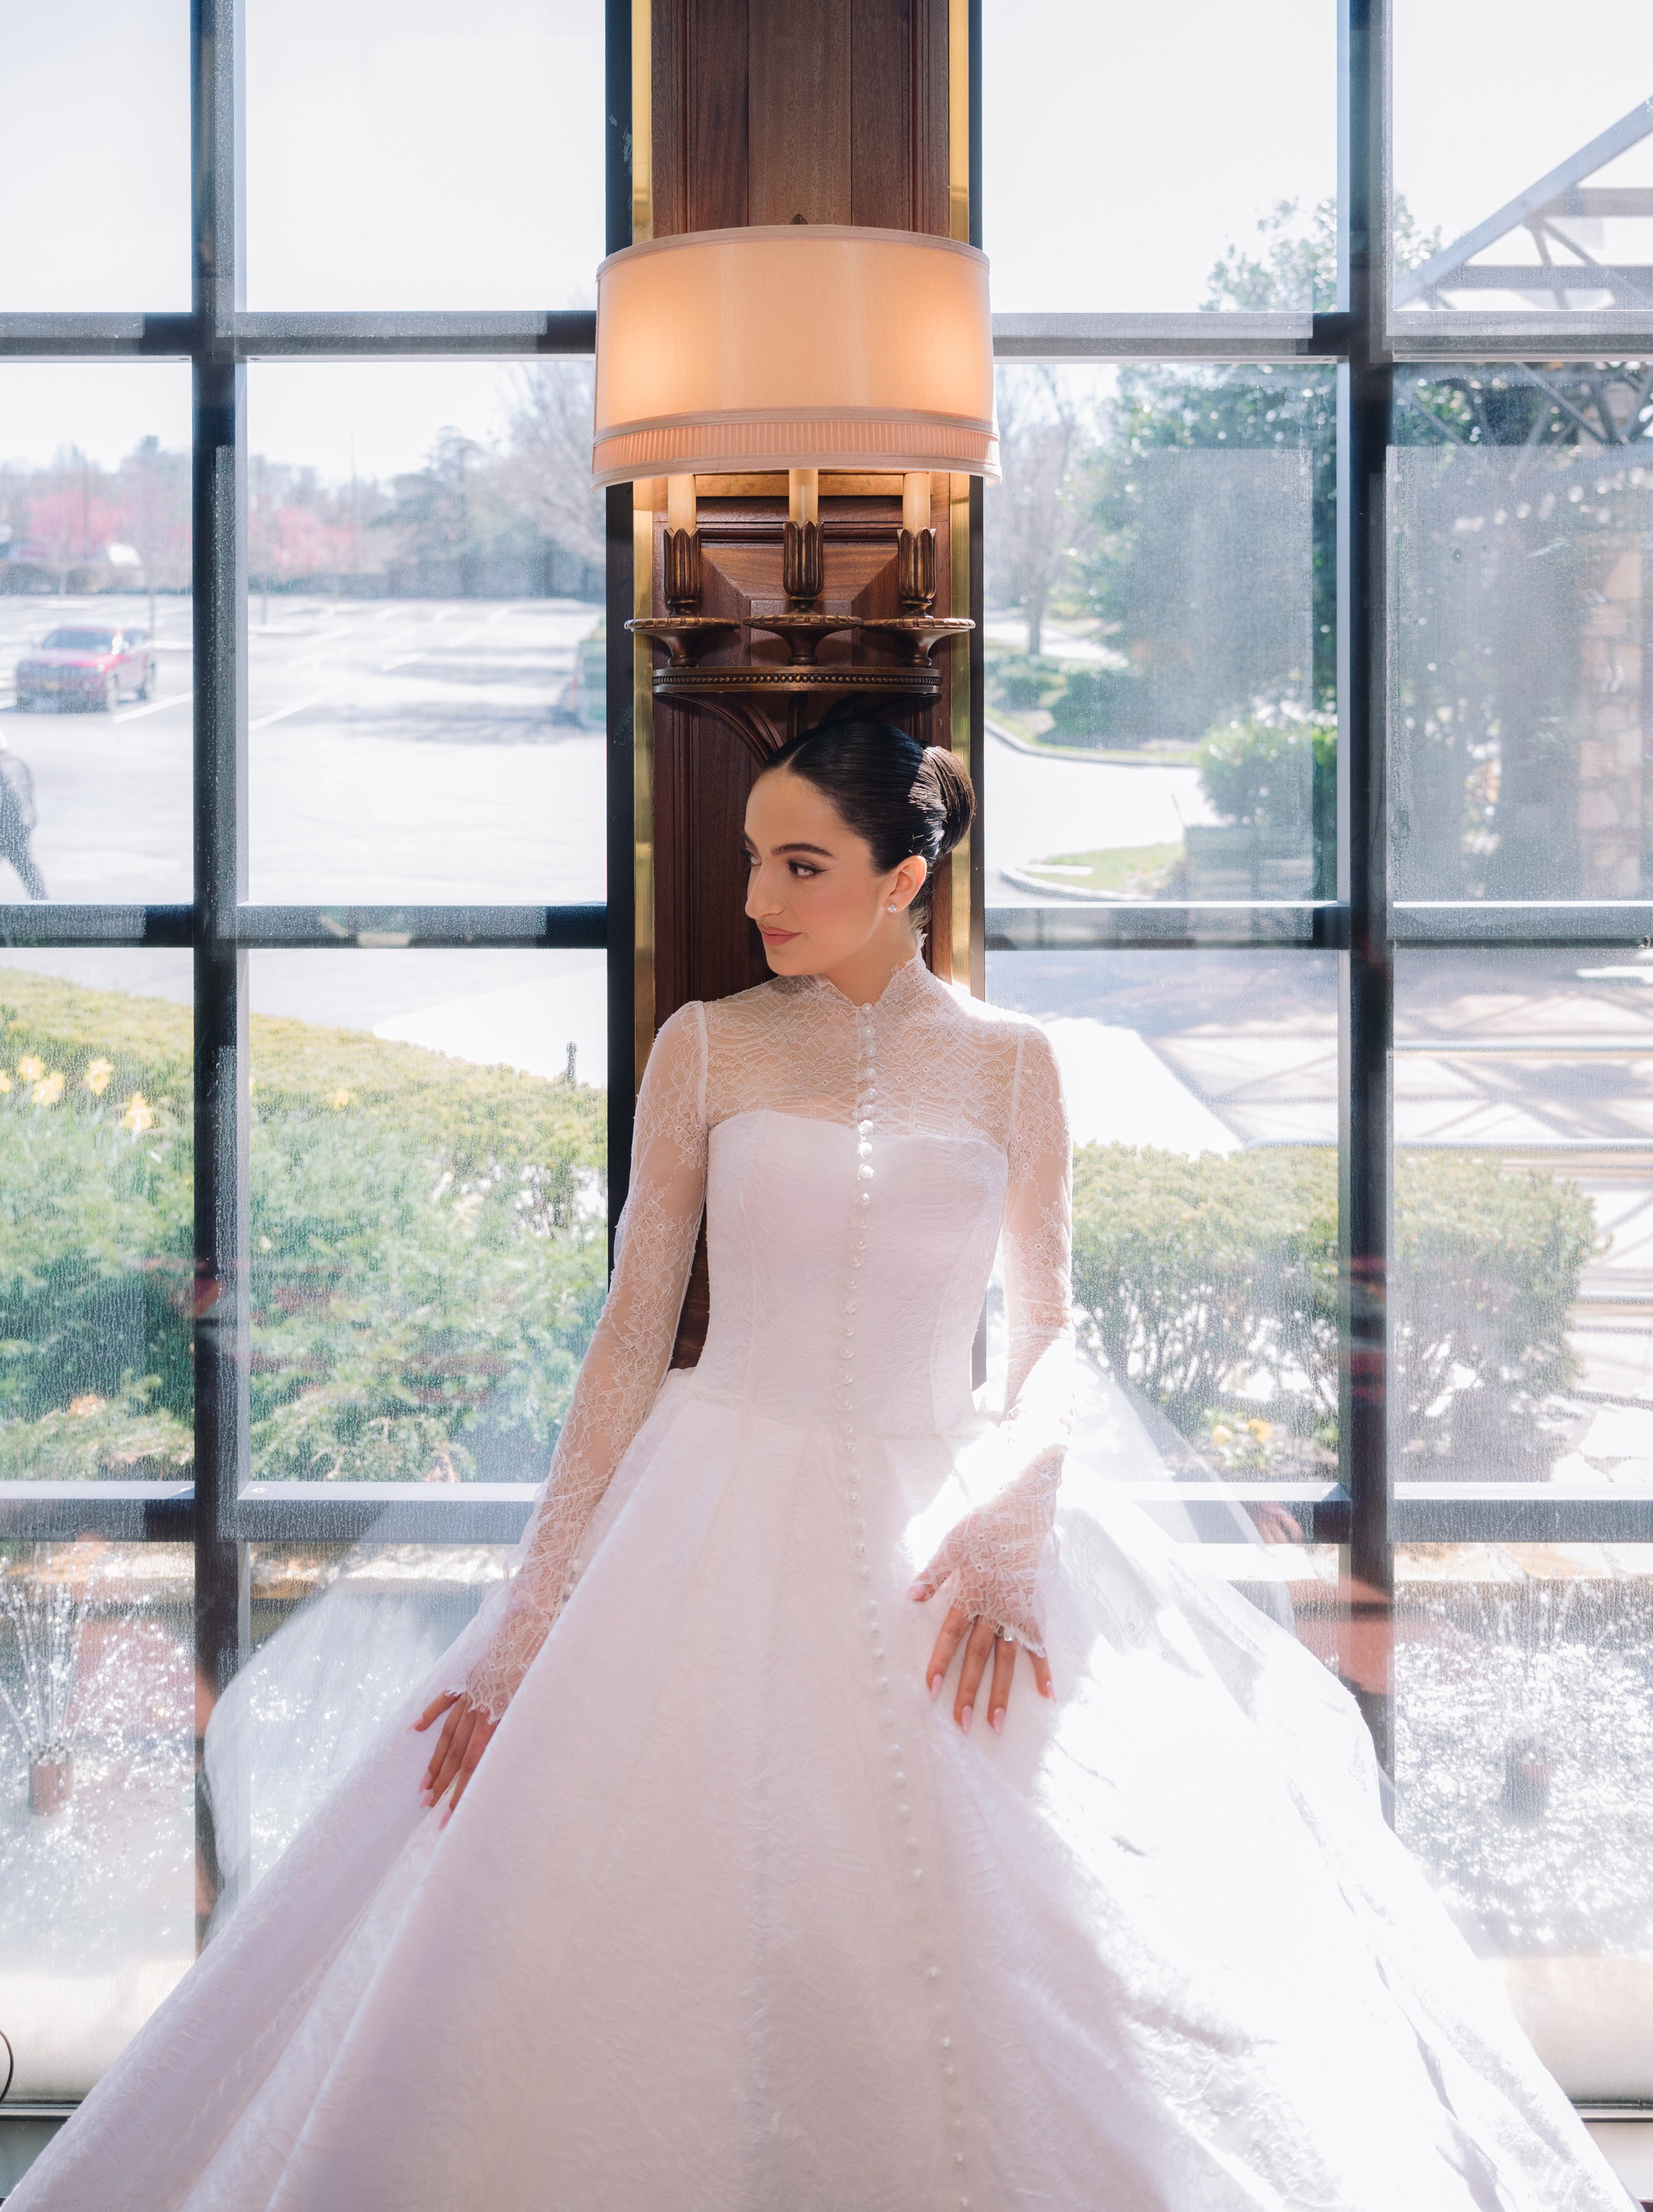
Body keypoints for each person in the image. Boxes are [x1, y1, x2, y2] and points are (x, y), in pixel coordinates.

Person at [10, 720, 1625, 2212]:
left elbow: (1047, 1325)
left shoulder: (1013, 1065)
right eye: (750, 858)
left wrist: (1019, 1506)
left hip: (948, 1523)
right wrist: (525, 1620)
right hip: (712, 1502)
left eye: (801, 863)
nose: (755, 895)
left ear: (903, 879)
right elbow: (630, 1341)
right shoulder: (704, 1047)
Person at [0, 733, 45, 899]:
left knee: (27, 869)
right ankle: (45, 910)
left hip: (4, 829)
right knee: (29, 871)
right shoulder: (18, 763)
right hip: (21, 828)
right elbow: (28, 794)